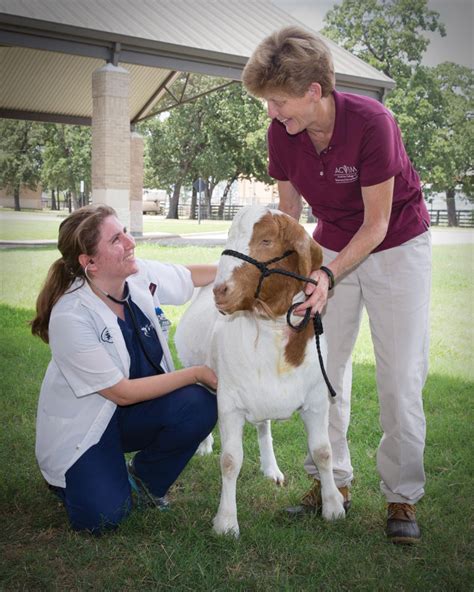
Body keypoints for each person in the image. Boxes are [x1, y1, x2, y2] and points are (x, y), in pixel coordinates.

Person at [242, 26, 431, 544]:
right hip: (329, 243)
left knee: (400, 376)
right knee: (324, 368)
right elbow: (289, 212)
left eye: (278, 102)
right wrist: (280, 268)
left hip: (396, 245)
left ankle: (402, 496)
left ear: (313, 91)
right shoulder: (281, 132)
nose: (272, 113)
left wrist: (327, 273)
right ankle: (331, 482)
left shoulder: (373, 121)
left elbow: (376, 224)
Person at [31, 204, 218, 534]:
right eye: (116, 239)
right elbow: (120, 392)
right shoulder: (71, 316)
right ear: (89, 263)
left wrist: (241, 270)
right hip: (87, 427)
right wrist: (197, 373)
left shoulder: (136, 275)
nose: (130, 242)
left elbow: (188, 277)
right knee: (102, 520)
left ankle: (144, 482)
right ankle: (76, 480)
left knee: (199, 405)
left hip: (131, 415)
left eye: (126, 232)